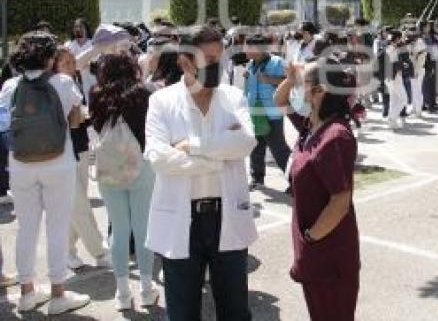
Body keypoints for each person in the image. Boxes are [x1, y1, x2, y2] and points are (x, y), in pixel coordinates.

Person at [144, 25, 257, 321]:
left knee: (235, 310)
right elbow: (158, 157)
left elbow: (246, 142)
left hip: (227, 214)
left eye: (220, 56)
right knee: (182, 312)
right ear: (185, 61)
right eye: (209, 58)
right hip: (181, 218)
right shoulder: (161, 101)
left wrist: (191, 146)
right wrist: (216, 159)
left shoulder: (233, 98)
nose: (217, 65)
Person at [0, 32, 91, 314]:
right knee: (57, 227)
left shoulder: (10, 86)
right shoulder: (62, 82)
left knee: (26, 227)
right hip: (58, 163)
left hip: (20, 163)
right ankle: (57, 294)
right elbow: (76, 121)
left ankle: (27, 293)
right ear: (50, 57)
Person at [275, 56, 360, 320]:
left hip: (328, 253)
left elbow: (340, 201)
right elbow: (280, 101)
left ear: (319, 91)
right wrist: (291, 80)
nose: (298, 87)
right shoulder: (311, 125)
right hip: (315, 251)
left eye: (304, 82)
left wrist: (309, 239)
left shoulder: (335, 136)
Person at [89, 53, 158, 310]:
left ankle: (122, 293)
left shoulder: (96, 94)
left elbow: (95, 127)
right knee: (142, 229)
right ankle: (147, 289)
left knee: (118, 230)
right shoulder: (145, 92)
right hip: (141, 165)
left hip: (109, 168)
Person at [52, 47, 111, 271]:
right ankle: (100, 251)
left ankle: (66, 251)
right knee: (80, 205)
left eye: (71, 62)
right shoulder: (63, 84)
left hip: (77, 148)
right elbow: (76, 121)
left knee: (75, 204)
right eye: (65, 63)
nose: (70, 66)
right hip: (66, 151)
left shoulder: (68, 82)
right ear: (54, 66)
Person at [244, 34, 290, 191]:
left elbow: (290, 81)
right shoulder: (250, 65)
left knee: (279, 149)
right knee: (255, 148)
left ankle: (296, 180)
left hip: (272, 113)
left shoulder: (277, 62)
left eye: (250, 47)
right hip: (254, 113)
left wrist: (270, 79)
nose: (246, 50)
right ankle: (257, 179)